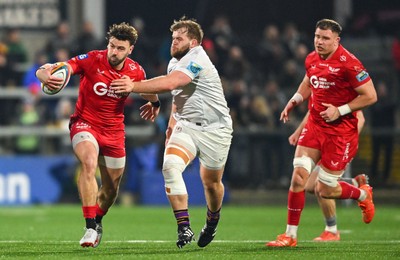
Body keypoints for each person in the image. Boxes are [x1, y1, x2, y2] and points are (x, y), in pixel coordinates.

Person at [110, 16, 233, 249]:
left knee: (211, 183)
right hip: (187, 126)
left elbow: (172, 83)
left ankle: (212, 221)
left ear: (194, 43)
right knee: (170, 166)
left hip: (215, 129)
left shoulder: (197, 58)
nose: (174, 42)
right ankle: (183, 226)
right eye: (173, 38)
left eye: (180, 38)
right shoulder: (174, 62)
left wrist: (133, 86)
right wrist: (172, 123)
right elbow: (178, 96)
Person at [36, 22, 160, 248]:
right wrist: (44, 75)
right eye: (112, 46)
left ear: (130, 49)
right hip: (85, 123)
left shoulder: (135, 71)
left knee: (111, 189)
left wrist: (155, 102)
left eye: (120, 48)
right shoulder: (91, 59)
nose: (114, 52)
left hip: (114, 132)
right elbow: (50, 68)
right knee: (89, 163)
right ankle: (90, 226)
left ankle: (98, 219)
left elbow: (146, 88)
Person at [266, 18, 377, 247]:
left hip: (340, 133)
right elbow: (309, 81)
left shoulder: (350, 64)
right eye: (317, 36)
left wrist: (341, 110)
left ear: (337, 40)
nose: (319, 41)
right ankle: (290, 235)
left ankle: (362, 194)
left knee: (324, 189)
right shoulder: (312, 58)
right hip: (315, 127)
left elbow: (371, 95)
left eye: (325, 38)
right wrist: (294, 100)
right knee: (298, 177)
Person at [289, 110, 369, 241]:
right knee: (310, 186)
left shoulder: (342, 92)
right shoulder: (321, 91)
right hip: (320, 140)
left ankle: (331, 230)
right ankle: (354, 184)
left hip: (337, 143)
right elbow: (313, 111)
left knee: (321, 186)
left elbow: (360, 117)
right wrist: (299, 131)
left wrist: (347, 140)